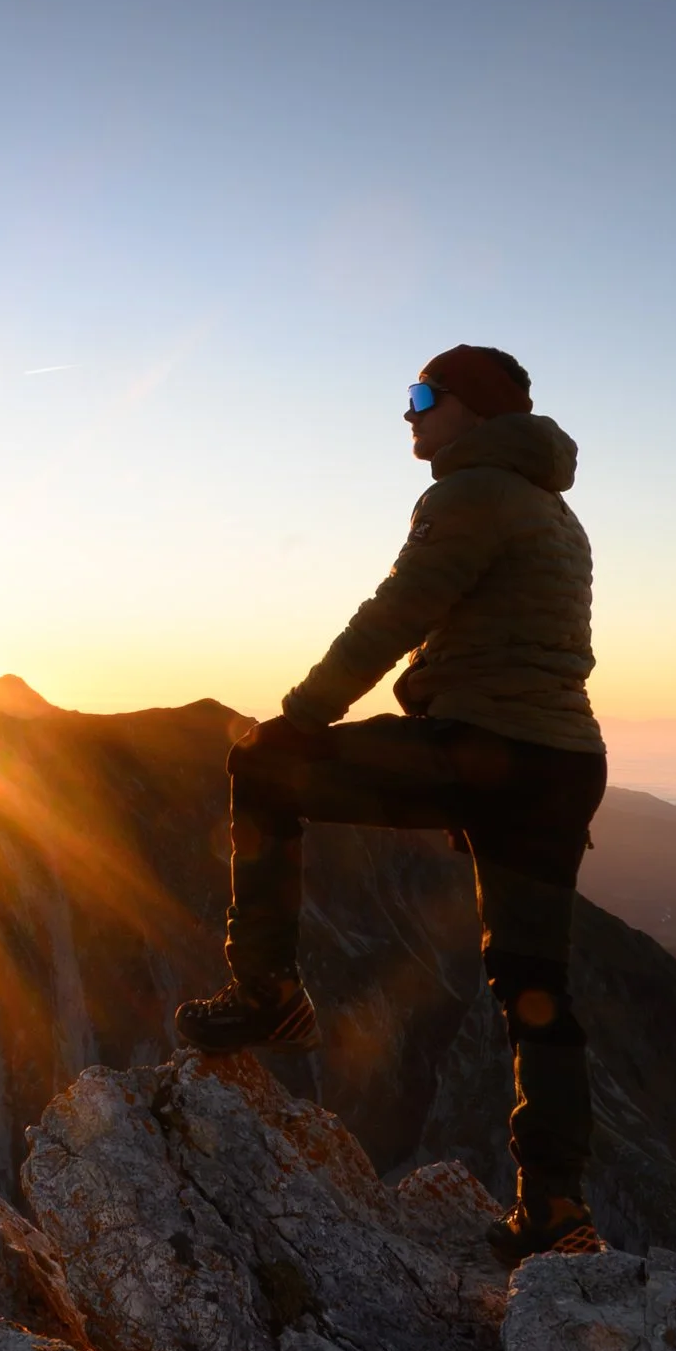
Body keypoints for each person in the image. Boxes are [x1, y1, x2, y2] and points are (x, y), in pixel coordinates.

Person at [174, 344, 609, 1265]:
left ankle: (267, 990)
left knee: (263, 771)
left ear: (474, 408)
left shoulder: (470, 493)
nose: (407, 414)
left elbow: (395, 613)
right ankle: (556, 1207)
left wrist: (297, 718)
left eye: (422, 395)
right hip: (561, 764)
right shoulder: (553, 509)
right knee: (537, 990)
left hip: (484, 753)